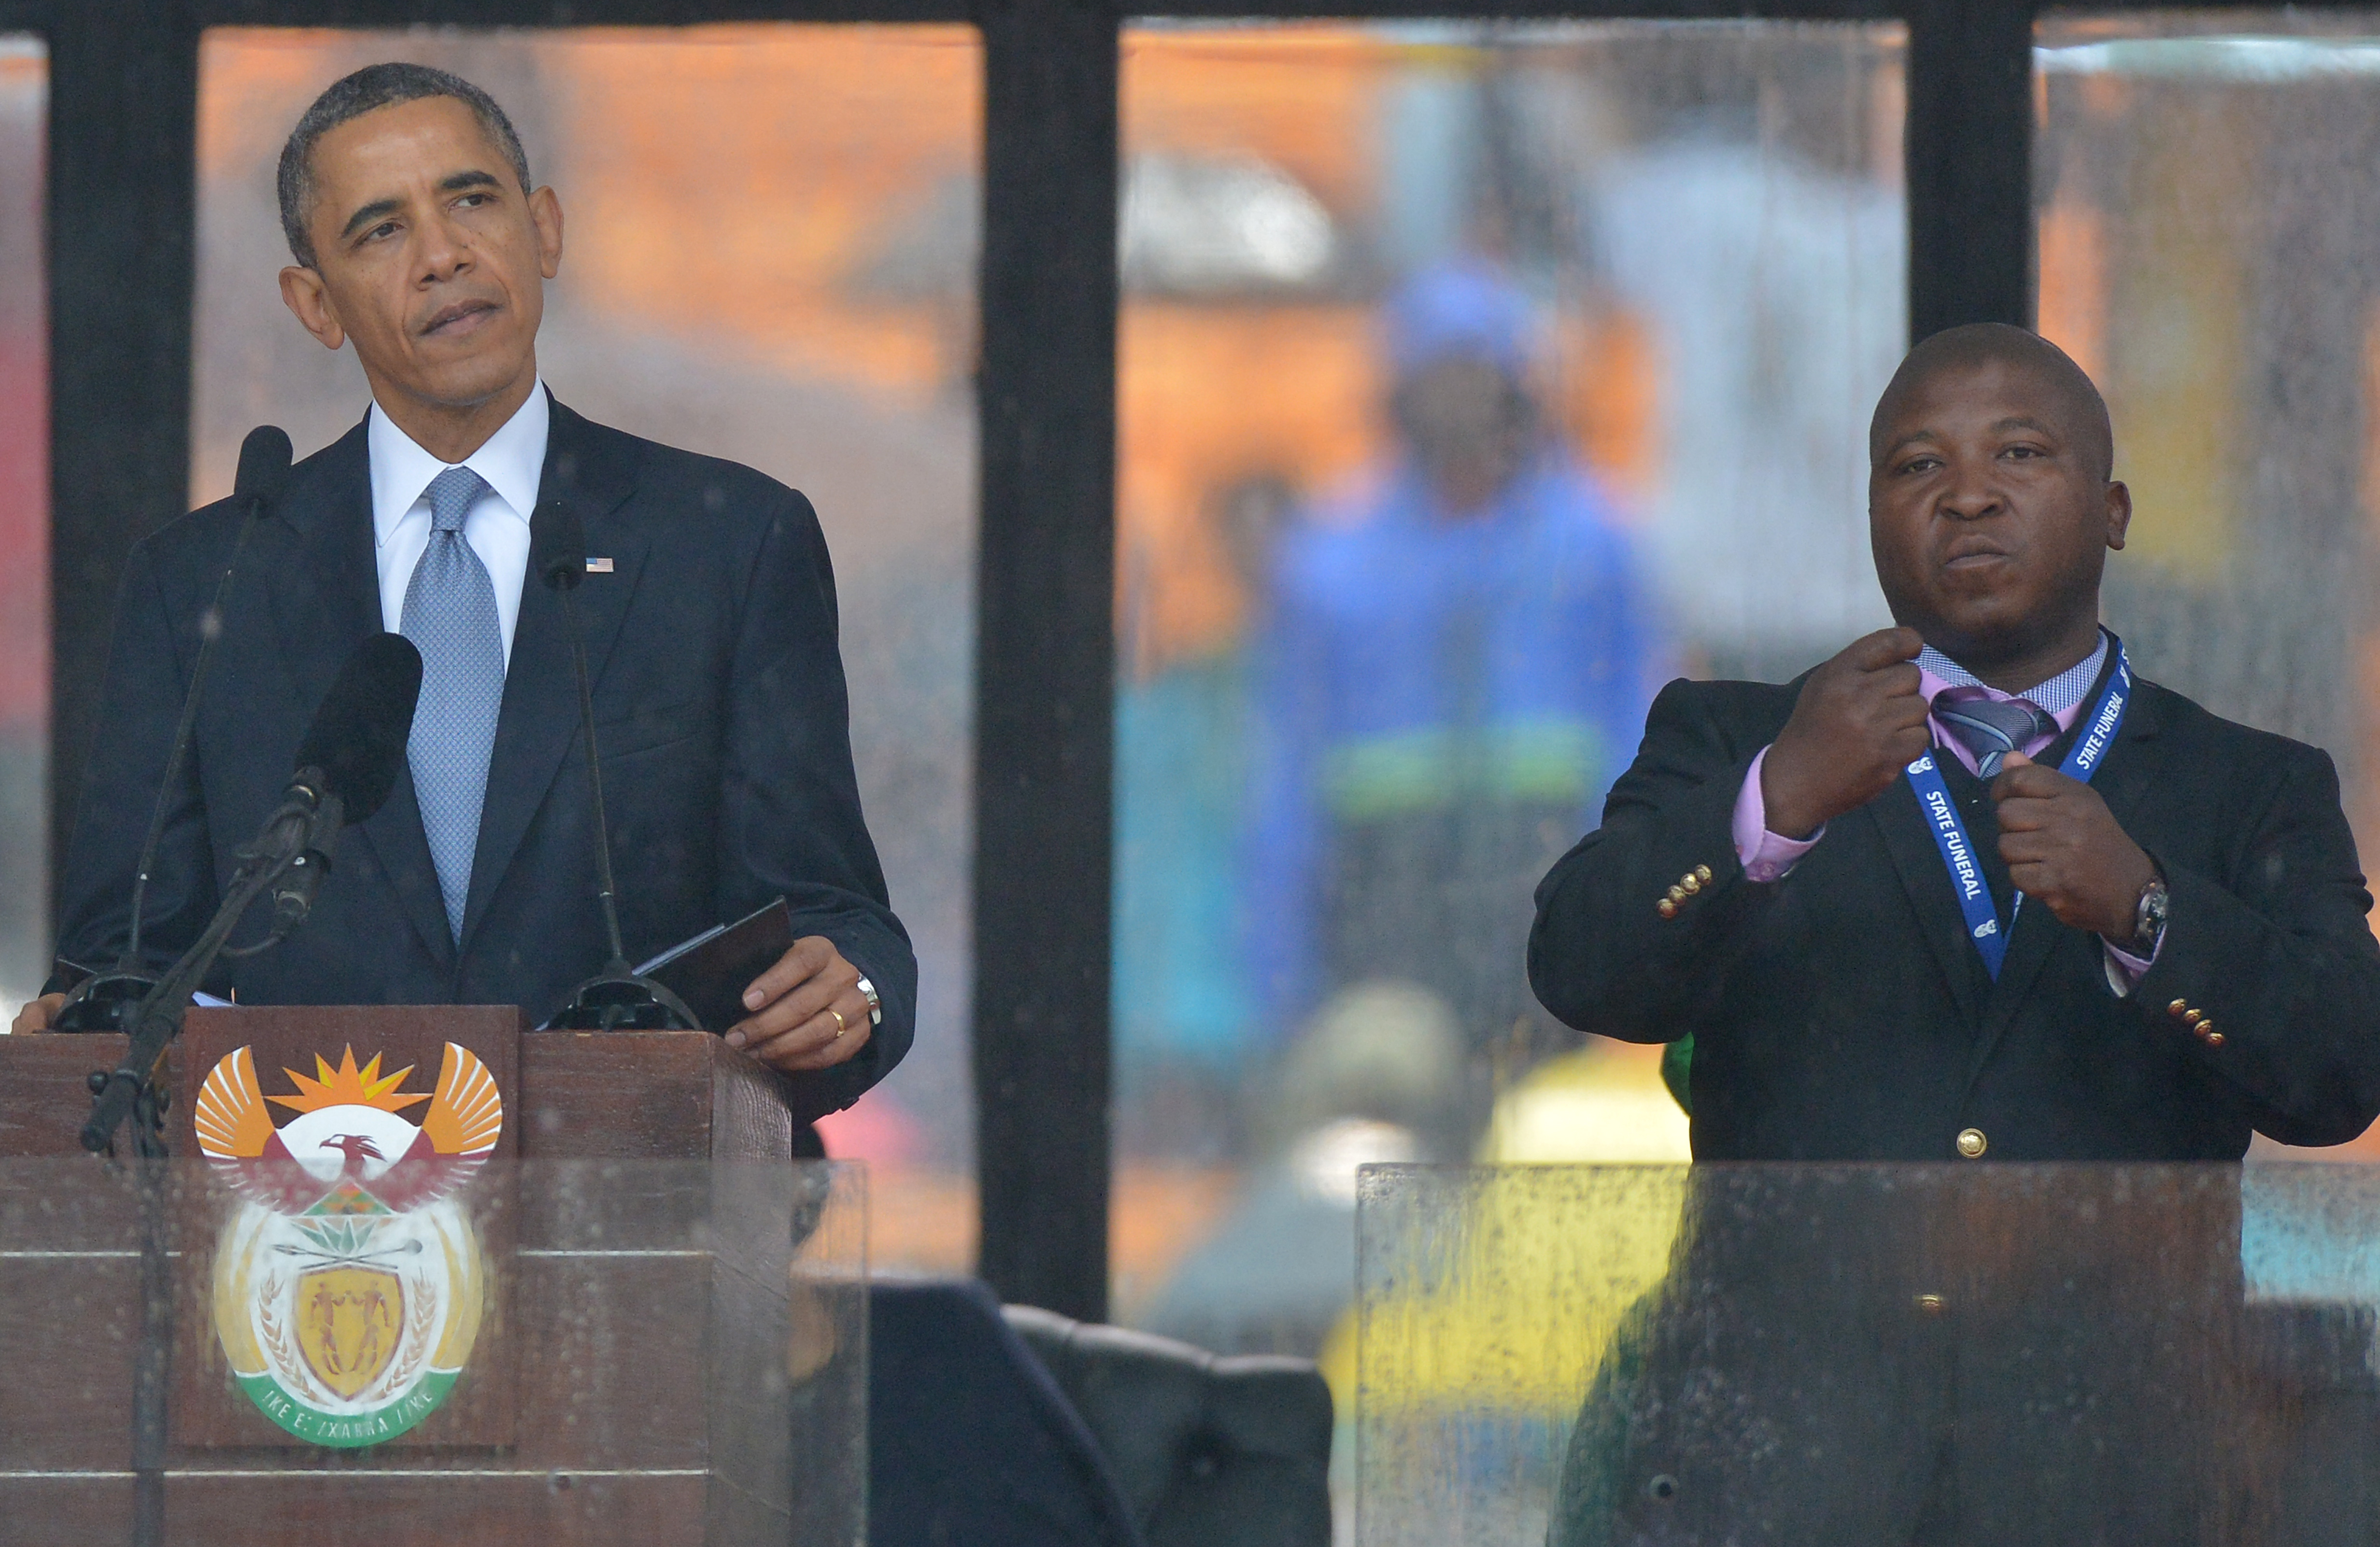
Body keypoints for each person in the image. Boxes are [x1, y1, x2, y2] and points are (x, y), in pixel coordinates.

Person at [1530, 323, 2380, 1541]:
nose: (1968, 494)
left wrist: (2147, 910)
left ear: (2114, 511)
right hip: (1782, 1478)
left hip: (2117, 1478)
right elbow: (1581, 971)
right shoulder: (1733, 738)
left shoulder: (2247, 786)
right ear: (1873, 518)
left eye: (2019, 454)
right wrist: (1776, 802)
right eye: (1917, 465)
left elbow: (2342, 1074)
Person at [16, 64, 913, 1125]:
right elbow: (123, 968)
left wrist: (852, 992)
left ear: (545, 230)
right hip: (305, 1201)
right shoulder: (205, 582)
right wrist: (87, 1027)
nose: (443, 255)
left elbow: (833, 922)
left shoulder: (726, 543)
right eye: (381, 230)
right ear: (315, 304)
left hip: (638, 1195)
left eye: (472, 200)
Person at [1246, 265, 1661, 1123]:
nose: (1462, 407)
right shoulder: (1331, 562)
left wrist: (1630, 901)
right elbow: (1289, 771)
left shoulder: (1593, 545)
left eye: (1481, 379)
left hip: (1539, 874)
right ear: (1401, 395)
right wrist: (1278, 971)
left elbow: (1634, 730)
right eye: (1440, 380)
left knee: (1535, 1122)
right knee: (1398, 1115)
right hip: (1386, 896)